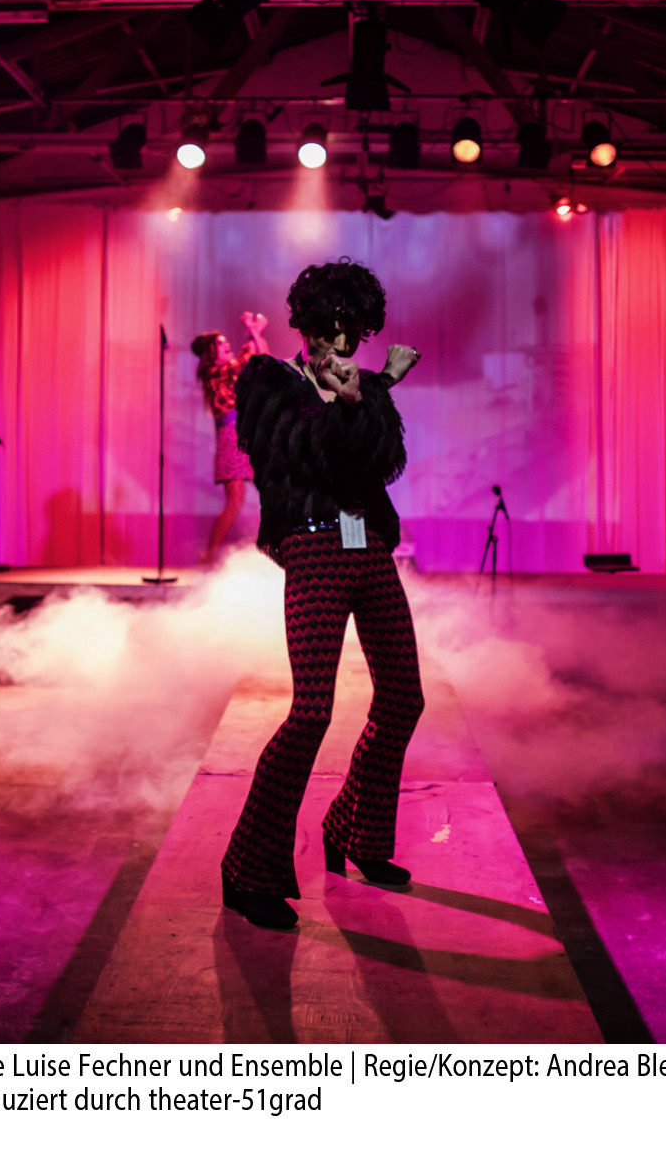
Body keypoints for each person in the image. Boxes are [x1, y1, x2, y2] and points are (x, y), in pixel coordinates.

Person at [219, 260, 423, 930]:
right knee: (311, 712)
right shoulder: (268, 379)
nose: (339, 343)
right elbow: (297, 457)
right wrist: (353, 398)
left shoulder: (362, 384)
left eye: (351, 331)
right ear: (305, 325)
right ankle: (247, 868)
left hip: (370, 544)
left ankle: (355, 831)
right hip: (311, 544)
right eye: (329, 328)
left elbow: (382, 461)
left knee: (404, 697)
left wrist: (369, 395)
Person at [190, 311, 270, 563]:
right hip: (232, 439)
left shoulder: (228, 369)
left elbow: (260, 356)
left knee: (269, 490)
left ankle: (276, 545)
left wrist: (255, 332)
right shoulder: (213, 372)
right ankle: (210, 553)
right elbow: (254, 356)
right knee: (235, 502)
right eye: (221, 344)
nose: (227, 346)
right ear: (211, 352)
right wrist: (254, 331)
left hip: (245, 434)